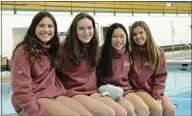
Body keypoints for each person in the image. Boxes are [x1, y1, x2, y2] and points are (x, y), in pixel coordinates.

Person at [10, 11, 92, 116]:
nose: (46, 30)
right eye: (41, 26)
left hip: (53, 94)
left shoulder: (52, 49)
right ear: (33, 28)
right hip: (33, 97)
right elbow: (21, 89)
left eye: (50, 26)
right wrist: (36, 113)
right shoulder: (23, 52)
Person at [56, 13, 128, 116]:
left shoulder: (93, 47)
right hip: (74, 92)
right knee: (109, 113)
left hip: (92, 91)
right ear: (74, 30)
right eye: (81, 28)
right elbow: (53, 73)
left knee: (122, 112)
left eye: (89, 28)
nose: (86, 32)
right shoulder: (63, 48)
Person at [97, 23, 149, 116]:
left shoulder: (129, 54)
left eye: (122, 36)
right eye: (114, 36)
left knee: (144, 109)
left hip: (125, 90)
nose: (119, 40)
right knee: (128, 110)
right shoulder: (100, 54)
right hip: (107, 91)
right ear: (109, 38)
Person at [128, 20, 176, 116]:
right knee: (157, 109)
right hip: (136, 90)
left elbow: (160, 78)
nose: (138, 36)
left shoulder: (158, 52)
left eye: (141, 33)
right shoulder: (129, 53)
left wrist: (156, 94)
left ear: (147, 33)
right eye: (134, 34)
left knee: (170, 109)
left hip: (151, 89)